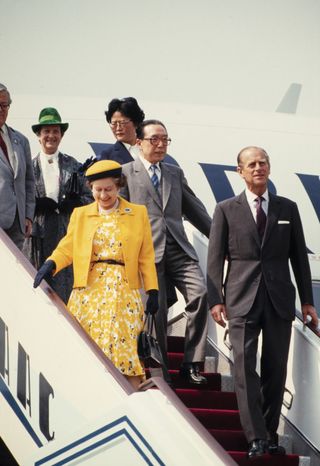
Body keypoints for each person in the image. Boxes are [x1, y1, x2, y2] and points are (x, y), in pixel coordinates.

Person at [207, 146, 318, 459]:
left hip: (279, 298)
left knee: (275, 367)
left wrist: (308, 301)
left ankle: (270, 434)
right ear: (240, 171)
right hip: (241, 299)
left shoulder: (288, 208)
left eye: (263, 162)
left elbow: (299, 258)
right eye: (252, 164)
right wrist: (216, 299)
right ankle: (255, 436)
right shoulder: (226, 209)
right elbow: (214, 259)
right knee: (243, 368)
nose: (259, 168)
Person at [33, 160, 159, 390]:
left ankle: (131, 399)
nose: (103, 195)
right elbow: (67, 247)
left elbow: (146, 256)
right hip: (88, 290)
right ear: (90, 189)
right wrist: (51, 263)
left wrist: (152, 290)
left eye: (108, 189)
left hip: (123, 289)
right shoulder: (81, 214)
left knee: (123, 350)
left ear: (119, 186)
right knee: (85, 348)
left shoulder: (137, 213)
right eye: (98, 190)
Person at [121, 119, 211, 385]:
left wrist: (223, 239)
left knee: (200, 294)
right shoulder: (126, 173)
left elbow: (196, 210)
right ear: (139, 142)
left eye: (165, 140)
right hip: (146, 252)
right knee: (156, 312)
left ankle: (192, 364)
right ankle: (162, 373)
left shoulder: (174, 172)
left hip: (178, 248)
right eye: (154, 140)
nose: (161, 145)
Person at [24, 107, 92, 303]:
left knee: (64, 295)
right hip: (37, 239)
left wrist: (75, 202)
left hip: (65, 236)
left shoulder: (74, 166)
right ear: (38, 135)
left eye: (55, 131)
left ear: (61, 135)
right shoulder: (30, 166)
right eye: (46, 131)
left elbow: (91, 199)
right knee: (36, 292)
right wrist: (34, 205)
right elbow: (19, 198)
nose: (51, 136)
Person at [0, 83, 35, 250]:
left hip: (17, 223)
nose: (1, 109)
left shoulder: (21, 140)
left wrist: (28, 215)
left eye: (4, 105)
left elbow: (29, 181)